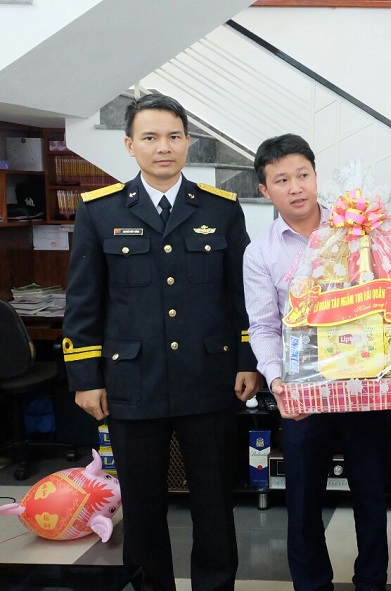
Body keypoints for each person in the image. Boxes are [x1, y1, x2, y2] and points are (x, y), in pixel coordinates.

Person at [63, 93, 259, 591]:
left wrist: (248, 361)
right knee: (143, 505)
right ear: (130, 145)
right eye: (150, 137)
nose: (163, 147)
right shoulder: (99, 211)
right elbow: (83, 302)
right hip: (133, 383)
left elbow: (242, 296)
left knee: (214, 501)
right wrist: (85, 377)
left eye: (173, 136)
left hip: (208, 379)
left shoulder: (221, 209)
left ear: (188, 142)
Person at [243, 133, 391, 591]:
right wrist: (277, 381)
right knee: (303, 499)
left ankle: (372, 582)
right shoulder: (260, 251)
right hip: (303, 390)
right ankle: (311, 584)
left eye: (303, 175)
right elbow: (264, 326)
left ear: (315, 176)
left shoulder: (358, 229)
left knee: (371, 493)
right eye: (281, 180)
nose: (296, 187)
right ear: (265, 190)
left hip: (364, 384)